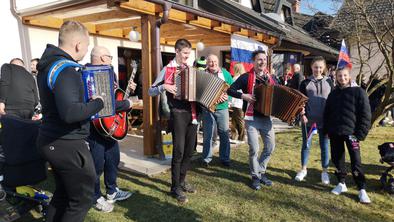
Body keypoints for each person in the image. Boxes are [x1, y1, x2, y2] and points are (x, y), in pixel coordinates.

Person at [36, 21, 104, 222]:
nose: (86, 50)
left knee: (63, 195)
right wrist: (98, 103)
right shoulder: (66, 70)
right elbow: (70, 113)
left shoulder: (49, 65)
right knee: (81, 200)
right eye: (86, 45)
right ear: (77, 45)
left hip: (52, 140)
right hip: (67, 143)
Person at [148, 39, 198, 204]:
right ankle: (175, 186)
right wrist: (164, 87)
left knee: (190, 150)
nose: (187, 56)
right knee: (178, 151)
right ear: (176, 51)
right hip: (177, 114)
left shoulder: (190, 70)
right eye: (184, 53)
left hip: (192, 114)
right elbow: (150, 90)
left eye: (188, 54)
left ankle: (182, 181)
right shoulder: (167, 69)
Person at [87, 46, 135, 212]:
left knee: (113, 159)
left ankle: (112, 191)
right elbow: (103, 105)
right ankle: (94, 197)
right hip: (94, 128)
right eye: (110, 56)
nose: (111, 60)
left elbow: (112, 97)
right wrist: (126, 104)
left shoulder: (110, 73)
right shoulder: (87, 75)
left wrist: (125, 94)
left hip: (110, 126)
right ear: (101, 58)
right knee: (97, 165)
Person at [227, 50, 276, 190]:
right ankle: (255, 176)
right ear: (253, 62)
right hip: (251, 118)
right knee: (254, 148)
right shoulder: (246, 77)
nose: (262, 62)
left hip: (266, 118)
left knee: (270, 147)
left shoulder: (271, 79)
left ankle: (261, 171)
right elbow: (230, 90)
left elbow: (278, 92)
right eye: (259, 60)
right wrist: (244, 96)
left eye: (264, 60)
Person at [323, 67, 372, 204]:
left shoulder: (359, 92)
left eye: (344, 76)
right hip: (335, 132)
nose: (342, 78)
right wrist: (327, 130)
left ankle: (361, 189)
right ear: (336, 77)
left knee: (356, 161)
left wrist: (360, 134)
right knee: (337, 158)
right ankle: (341, 183)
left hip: (352, 134)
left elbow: (366, 115)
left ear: (349, 76)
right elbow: (327, 113)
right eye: (339, 76)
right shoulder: (333, 94)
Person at [295, 56, 334, 184]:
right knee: (306, 145)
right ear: (311, 67)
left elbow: (333, 101)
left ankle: (324, 172)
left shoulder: (330, 82)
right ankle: (303, 169)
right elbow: (300, 102)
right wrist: (302, 115)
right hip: (309, 121)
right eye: (316, 67)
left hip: (325, 121)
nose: (318, 69)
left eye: (320, 67)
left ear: (324, 68)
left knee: (325, 146)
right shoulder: (305, 83)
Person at [201, 54, 233, 167]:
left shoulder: (225, 74)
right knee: (208, 135)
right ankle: (206, 159)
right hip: (207, 108)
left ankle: (225, 158)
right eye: (210, 61)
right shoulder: (202, 74)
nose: (213, 64)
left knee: (224, 134)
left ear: (218, 62)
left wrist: (227, 97)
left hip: (222, 109)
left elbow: (232, 90)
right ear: (207, 63)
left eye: (215, 61)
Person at [230, 63, 246, 143]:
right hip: (241, 103)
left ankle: (242, 137)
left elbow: (232, 92)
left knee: (238, 121)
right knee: (235, 120)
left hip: (237, 103)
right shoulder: (244, 78)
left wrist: (230, 102)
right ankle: (234, 136)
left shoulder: (235, 78)